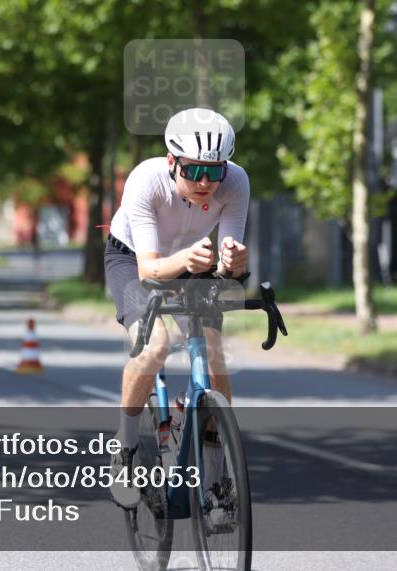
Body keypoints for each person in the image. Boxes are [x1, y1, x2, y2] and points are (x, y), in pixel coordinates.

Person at [104, 108, 249, 507]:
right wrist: (191, 261)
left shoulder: (235, 182)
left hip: (192, 261)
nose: (205, 182)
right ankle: (125, 451)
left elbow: (226, 261)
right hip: (132, 258)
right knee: (154, 345)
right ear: (172, 161)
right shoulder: (145, 181)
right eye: (193, 171)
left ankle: (217, 484)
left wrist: (234, 263)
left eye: (214, 171)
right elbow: (150, 269)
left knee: (216, 355)